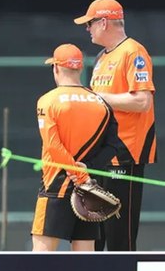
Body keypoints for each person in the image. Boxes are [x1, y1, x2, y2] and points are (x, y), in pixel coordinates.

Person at [32, 44, 132, 252]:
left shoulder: (48, 100)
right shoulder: (101, 103)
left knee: (41, 256)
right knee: (85, 258)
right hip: (88, 192)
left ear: (56, 68)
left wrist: (79, 176)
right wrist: (88, 171)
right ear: (79, 68)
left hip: (56, 187)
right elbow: (114, 146)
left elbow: (53, 146)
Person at [74, 0, 156, 251]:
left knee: (120, 238)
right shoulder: (101, 56)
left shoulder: (133, 52)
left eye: (90, 23)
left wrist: (95, 97)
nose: (87, 28)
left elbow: (142, 101)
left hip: (125, 153)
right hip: (100, 154)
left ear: (104, 23)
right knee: (95, 235)